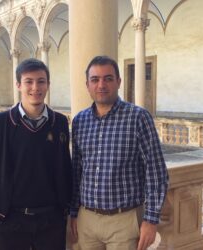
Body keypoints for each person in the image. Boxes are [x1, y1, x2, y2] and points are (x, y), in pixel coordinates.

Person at [70, 56, 169, 250]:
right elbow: (77, 170)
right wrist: (74, 212)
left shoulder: (138, 117)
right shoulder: (80, 121)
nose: (101, 85)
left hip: (124, 221)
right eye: (95, 79)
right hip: (87, 219)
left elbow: (156, 172)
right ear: (87, 85)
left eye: (108, 78)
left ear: (119, 82)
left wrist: (150, 219)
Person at [0, 58, 72, 250]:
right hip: (10, 220)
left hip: (51, 221)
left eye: (41, 81)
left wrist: (66, 209)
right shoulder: (1, 123)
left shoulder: (60, 123)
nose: (35, 87)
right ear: (18, 85)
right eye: (28, 81)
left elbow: (66, 167)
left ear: (48, 85)